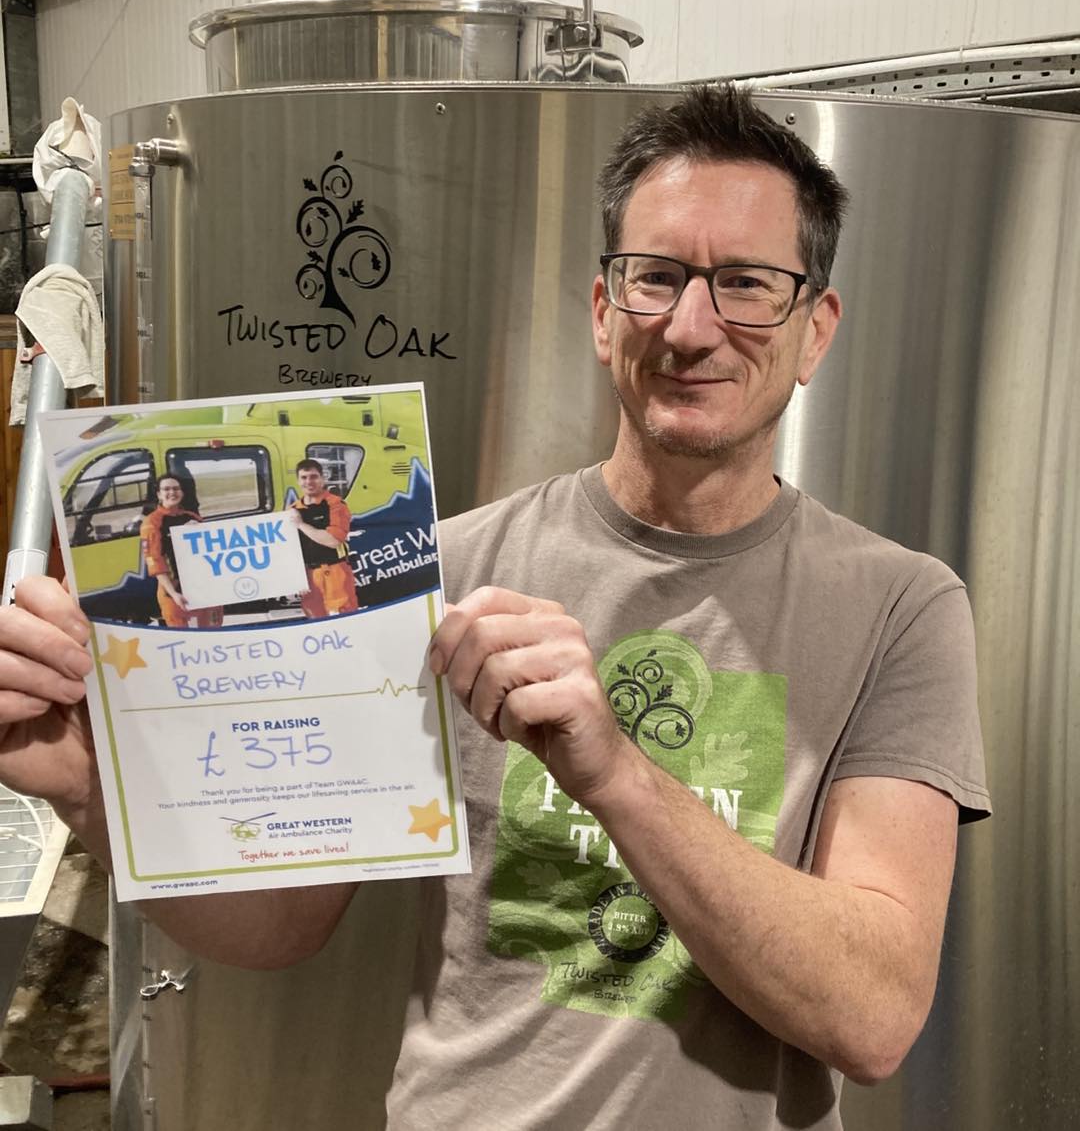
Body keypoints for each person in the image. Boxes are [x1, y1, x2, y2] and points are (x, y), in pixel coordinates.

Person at [0, 86, 988, 1130]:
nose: (692, 327)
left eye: (745, 283)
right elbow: (284, 921)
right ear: (604, 311)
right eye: (656, 277)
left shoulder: (900, 607)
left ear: (814, 330)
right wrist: (89, 789)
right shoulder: (441, 571)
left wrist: (614, 775)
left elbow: (873, 1019)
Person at [139, 474, 224, 629]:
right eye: (166, 489)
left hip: (204, 589)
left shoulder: (192, 517)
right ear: (159, 494)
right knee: (184, 638)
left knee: (214, 633)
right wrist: (174, 594)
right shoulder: (152, 522)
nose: (172, 492)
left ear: (182, 493)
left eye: (176, 488)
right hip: (174, 593)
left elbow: (212, 551)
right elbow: (155, 562)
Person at [286, 458, 359, 618]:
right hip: (308, 578)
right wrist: (297, 578)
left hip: (334, 574)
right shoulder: (292, 510)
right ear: (298, 481)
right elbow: (289, 550)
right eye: (304, 477)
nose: (309, 482)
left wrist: (301, 524)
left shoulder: (335, 504)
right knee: (316, 623)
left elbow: (333, 541)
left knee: (343, 621)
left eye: (314, 477)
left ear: (322, 478)